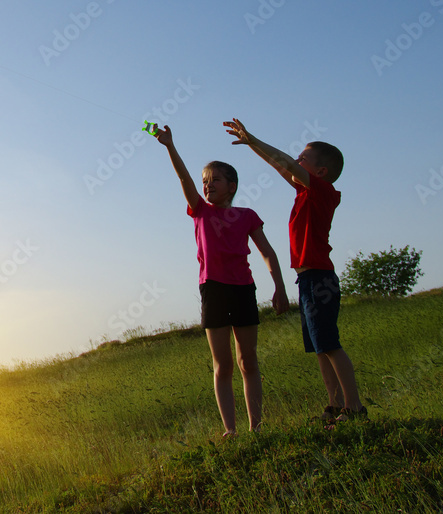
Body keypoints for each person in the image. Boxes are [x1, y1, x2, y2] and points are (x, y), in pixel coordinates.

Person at [223, 117, 366, 423]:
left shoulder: (324, 192)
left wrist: (254, 138)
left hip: (320, 278)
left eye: (304, 159)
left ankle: (354, 407)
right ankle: (334, 404)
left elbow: (286, 161)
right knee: (319, 346)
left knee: (330, 343)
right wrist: (251, 145)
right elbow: (282, 166)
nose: (297, 161)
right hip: (306, 279)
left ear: (321, 171)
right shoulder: (305, 193)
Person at [155, 124, 289, 436]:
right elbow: (183, 179)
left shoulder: (247, 215)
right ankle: (230, 430)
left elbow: (267, 252)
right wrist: (170, 146)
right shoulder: (199, 210)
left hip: (243, 289)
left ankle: (257, 426)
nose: (207, 185)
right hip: (213, 290)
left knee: (248, 361)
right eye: (205, 181)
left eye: (215, 180)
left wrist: (279, 287)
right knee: (223, 364)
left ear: (232, 185)